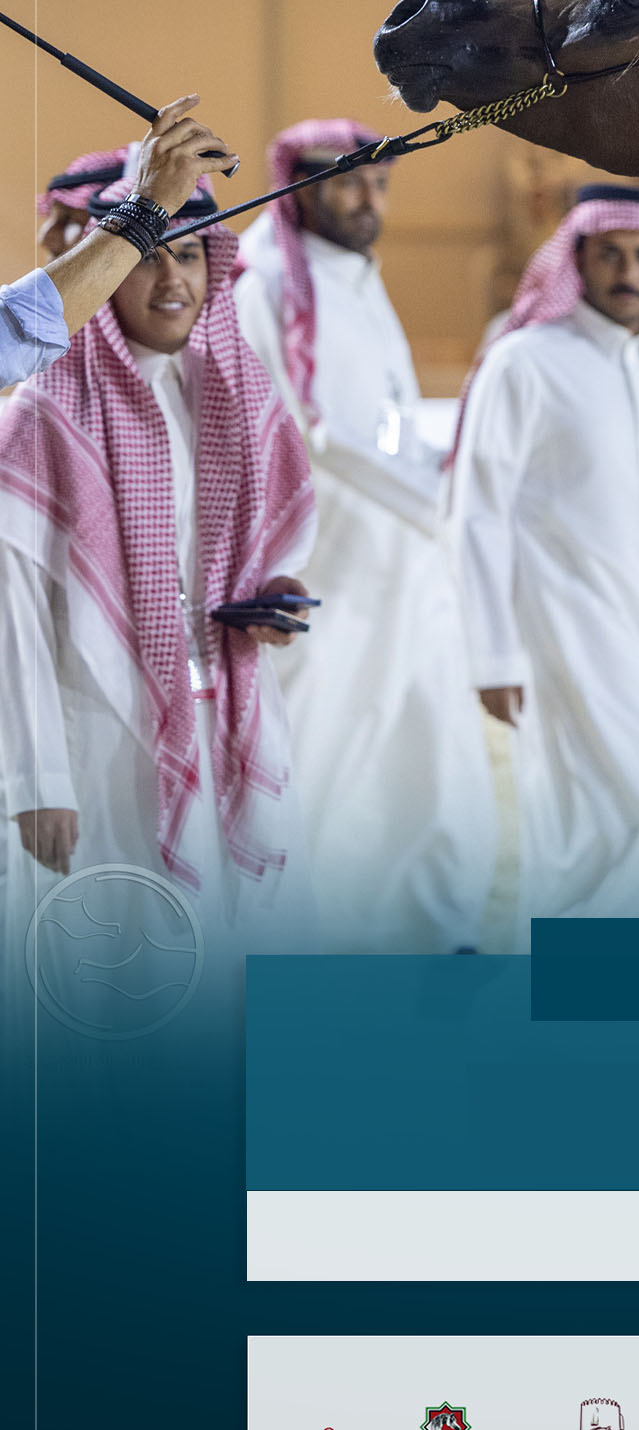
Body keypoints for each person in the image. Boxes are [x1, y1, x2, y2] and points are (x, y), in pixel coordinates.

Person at [0, 146, 316, 959]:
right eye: (145, 258)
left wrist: (273, 596)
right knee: (118, 968)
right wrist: (37, 780)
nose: (172, 279)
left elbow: (253, 552)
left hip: (225, 712)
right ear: (106, 271)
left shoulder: (235, 391)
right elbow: (13, 614)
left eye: (190, 255)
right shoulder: (45, 411)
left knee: (236, 952)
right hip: (99, 729)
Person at [233, 119, 495, 953]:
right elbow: (302, 434)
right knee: (331, 753)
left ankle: (432, 931)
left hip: (406, 559)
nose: (366, 198)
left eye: (378, 182)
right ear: (299, 186)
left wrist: (442, 476)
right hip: (324, 562)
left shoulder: (358, 278)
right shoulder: (265, 281)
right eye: (347, 181)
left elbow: (382, 423)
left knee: (424, 744)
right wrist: (438, 502)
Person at [449, 184, 639, 933]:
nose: (628, 273)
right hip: (560, 629)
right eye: (610, 255)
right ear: (578, 259)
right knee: (585, 824)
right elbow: (476, 513)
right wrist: (492, 655)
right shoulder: (525, 362)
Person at [2, 96, 235, 386]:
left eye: (68, 220)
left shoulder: (218, 382)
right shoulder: (51, 398)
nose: (46, 236)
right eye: (146, 256)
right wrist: (146, 208)